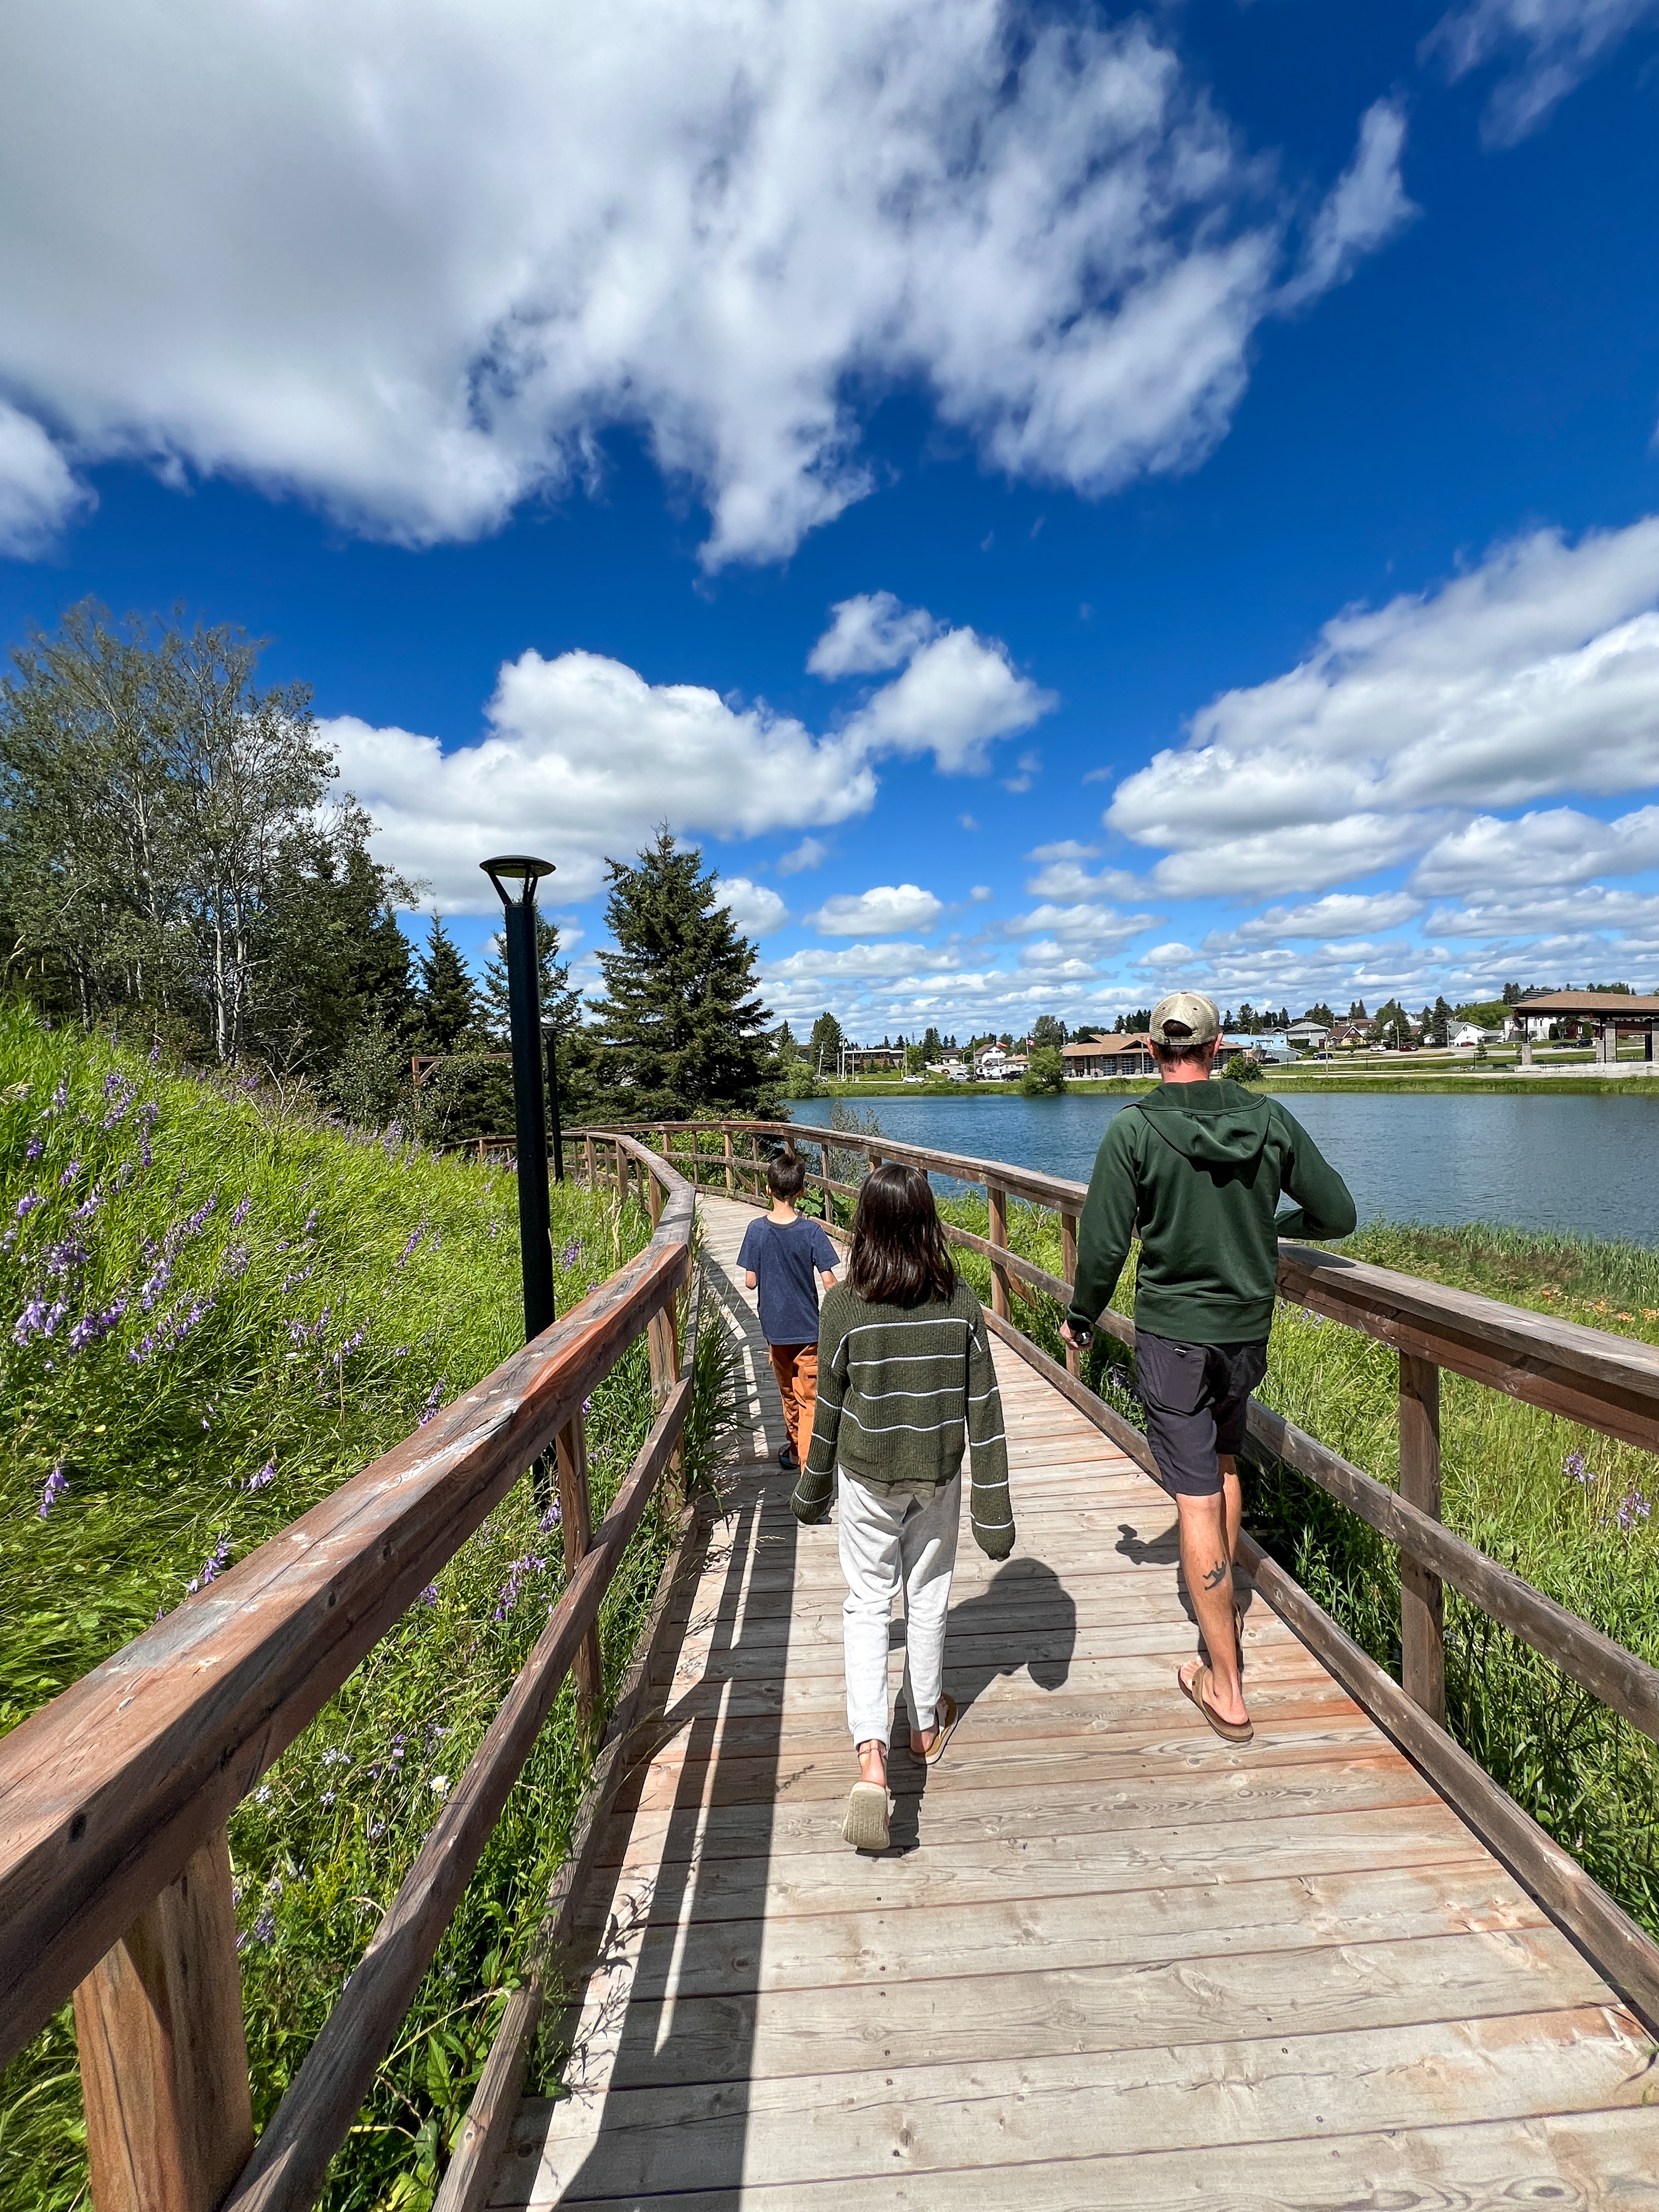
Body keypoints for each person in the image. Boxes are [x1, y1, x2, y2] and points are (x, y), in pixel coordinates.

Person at [1061, 991, 1355, 1745]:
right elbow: (1336, 1214)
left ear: (1151, 1049)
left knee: (1193, 1497)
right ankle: (1215, 1595)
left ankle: (1223, 1683)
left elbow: (1101, 1247)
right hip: (1243, 1333)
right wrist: (1268, 1226)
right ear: (1217, 1045)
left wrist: (1081, 1315)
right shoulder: (1268, 1119)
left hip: (1173, 1339)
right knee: (1224, 1459)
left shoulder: (1132, 1129)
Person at [793, 1161, 1013, 1851]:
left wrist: (812, 1488)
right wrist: (994, 1510)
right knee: (927, 1594)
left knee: (866, 1603)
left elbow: (826, 1408)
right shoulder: (960, 1303)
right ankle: (922, 1726)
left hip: (866, 1477)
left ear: (865, 1224)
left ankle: (870, 1758)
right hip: (938, 1475)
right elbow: (986, 1407)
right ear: (926, 1222)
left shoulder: (846, 1307)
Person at [739, 1148, 840, 1472]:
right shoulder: (811, 1231)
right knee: (811, 1398)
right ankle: (811, 1467)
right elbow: (829, 1283)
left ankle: (797, 1451)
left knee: (789, 1395)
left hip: (776, 1331)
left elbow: (750, 1282)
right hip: (810, 1329)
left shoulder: (756, 1230)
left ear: (768, 1190)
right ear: (802, 1191)